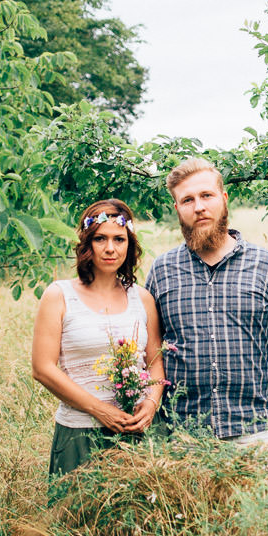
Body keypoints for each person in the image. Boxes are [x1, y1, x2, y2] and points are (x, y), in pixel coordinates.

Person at [147, 158, 268, 447]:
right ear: (177, 208)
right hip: (185, 437)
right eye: (187, 200)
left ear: (223, 198)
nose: (199, 207)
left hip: (257, 432)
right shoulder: (162, 270)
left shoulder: (265, 265)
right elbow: (148, 352)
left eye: (206, 195)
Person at [32, 199, 165, 474]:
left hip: (134, 431)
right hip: (79, 432)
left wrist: (150, 404)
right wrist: (100, 410)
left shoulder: (142, 299)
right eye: (100, 239)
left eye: (119, 239)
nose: (110, 248)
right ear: (86, 244)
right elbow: (42, 368)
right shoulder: (59, 295)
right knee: (77, 502)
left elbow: (155, 362)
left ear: (129, 245)